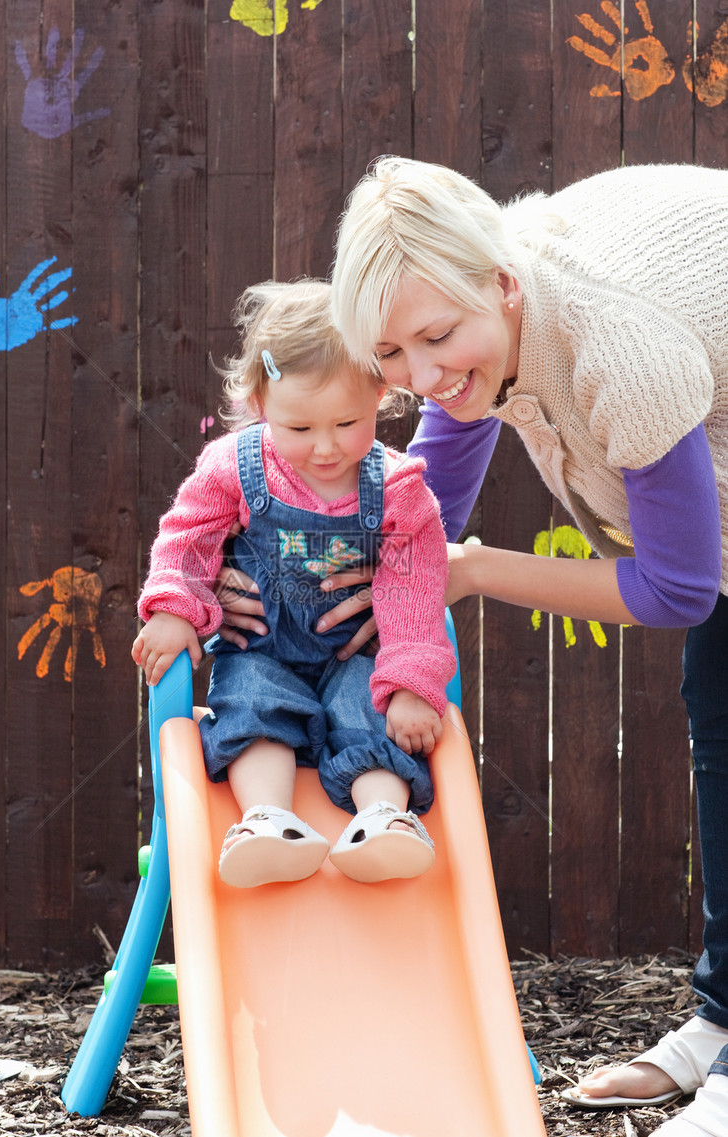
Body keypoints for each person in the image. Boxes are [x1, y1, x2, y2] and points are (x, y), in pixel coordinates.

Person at [313, 156, 728, 1135]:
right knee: (718, 737)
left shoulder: (613, 346)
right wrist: (312, 605)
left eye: (435, 339)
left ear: (500, 287)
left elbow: (674, 588)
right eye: (389, 355)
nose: (419, 377)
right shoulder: (479, 324)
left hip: (666, 402)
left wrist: (469, 570)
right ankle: (719, 1020)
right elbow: (425, 517)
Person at [132, 278, 456, 889]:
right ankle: (267, 821)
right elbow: (189, 538)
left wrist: (413, 681)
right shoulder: (235, 465)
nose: (327, 447)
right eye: (300, 428)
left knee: (372, 712)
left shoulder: (399, 489)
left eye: (347, 422)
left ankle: (383, 817)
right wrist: (177, 607)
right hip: (263, 649)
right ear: (260, 404)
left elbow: (415, 585)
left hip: (355, 655)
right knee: (251, 709)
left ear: (380, 393)